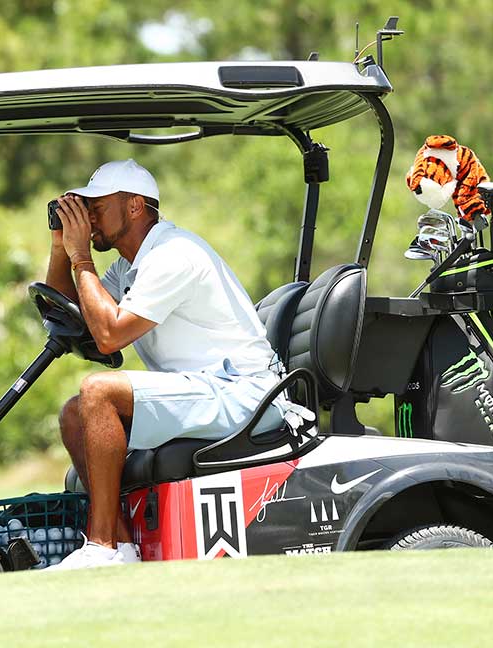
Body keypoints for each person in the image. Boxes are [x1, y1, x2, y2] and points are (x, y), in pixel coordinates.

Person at [43, 159, 296, 568]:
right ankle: (120, 547)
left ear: (135, 206)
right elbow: (71, 306)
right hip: (207, 388)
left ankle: (102, 546)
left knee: (98, 391)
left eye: (97, 206)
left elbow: (109, 334)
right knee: (76, 414)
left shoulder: (174, 254)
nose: (89, 216)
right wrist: (62, 247)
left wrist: (81, 257)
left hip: (244, 393)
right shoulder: (129, 265)